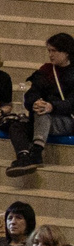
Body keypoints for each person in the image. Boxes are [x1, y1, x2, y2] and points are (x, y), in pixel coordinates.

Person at [5, 34, 74, 179]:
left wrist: (51, 106)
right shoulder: (46, 71)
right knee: (16, 125)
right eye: (49, 51)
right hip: (44, 117)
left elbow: (71, 104)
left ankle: (36, 151)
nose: (50, 55)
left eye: (54, 51)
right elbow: (31, 94)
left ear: (66, 52)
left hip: (67, 119)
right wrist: (35, 102)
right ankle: (24, 156)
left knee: (42, 112)